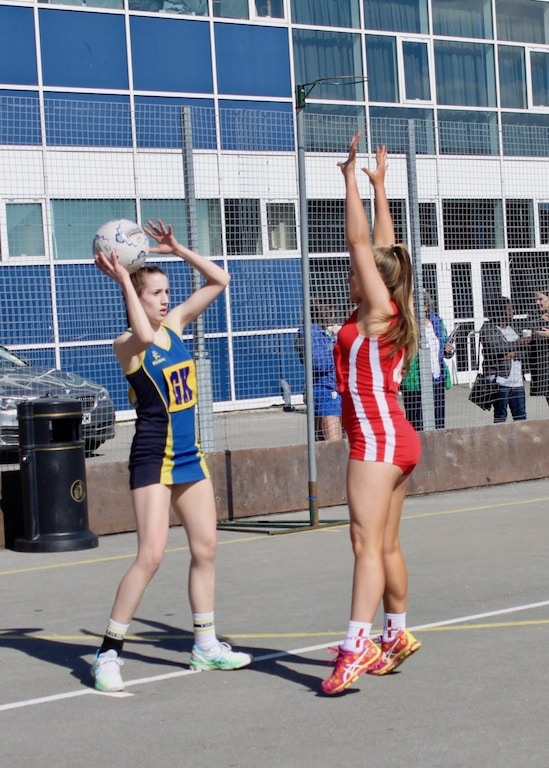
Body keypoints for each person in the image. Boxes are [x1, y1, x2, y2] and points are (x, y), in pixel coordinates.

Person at [91, 219, 252, 692]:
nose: (165, 300)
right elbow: (142, 337)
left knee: (206, 548)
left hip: (188, 457)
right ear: (136, 298)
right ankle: (108, 654)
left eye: (167, 292)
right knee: (151, 556)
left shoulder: (176, 325)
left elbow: (219, 280)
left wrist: (179, 249)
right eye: (156, 293)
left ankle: (205, 646)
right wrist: (124, 279)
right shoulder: (127, 345)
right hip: (152, 458)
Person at [321, 135, 422, 696]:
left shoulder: (378, 312)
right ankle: (395, 634)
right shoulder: (391, 305)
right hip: (398, 437)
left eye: (355, 270)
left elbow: (362, 241)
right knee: (384, 545)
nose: (350, 273)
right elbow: (384, 247)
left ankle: (355, 647)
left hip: (377, 440)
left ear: (374, 281)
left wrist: (348, 179)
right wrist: (381, 187)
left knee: (364, 546)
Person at [400, 290, 455, 430]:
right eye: (411, 304)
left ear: (426, 306)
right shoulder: (405, 325)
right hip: (415, 382)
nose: (413, 308)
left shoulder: (436, 323)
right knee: (417, 423)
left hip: (436, 380)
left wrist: (448, 349)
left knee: (438, 422)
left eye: (417, 304)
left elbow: (443, 348)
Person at [295, 297, 342, 441]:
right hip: (325, 391)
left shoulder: (325, 331)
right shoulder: (310, 332)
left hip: (334, 389)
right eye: (329, 308)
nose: (333, 313)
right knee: (333, 442)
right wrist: (338, 347)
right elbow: (318, 362)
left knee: (324, 441)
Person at [479, 296, 530, 423]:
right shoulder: (488, 328)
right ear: (500, 310)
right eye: (509, 309)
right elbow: (496, 348)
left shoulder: (514, 327)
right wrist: (518, 343)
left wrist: (514, 353)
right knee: (500, 416)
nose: (512, 311)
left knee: (521, 416)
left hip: (517, 381)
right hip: (500, 380)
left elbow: (526, 349)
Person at [528, 287, 549, 407]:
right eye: (536, 299)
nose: (537, 302)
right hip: (542, 368)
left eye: (541, 299)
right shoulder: (535, 318)